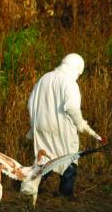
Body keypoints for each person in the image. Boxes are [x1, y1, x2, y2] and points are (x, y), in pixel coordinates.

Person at [27, 53, 103, 197]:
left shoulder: (45, 78)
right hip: (61, 128)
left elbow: (31, 102)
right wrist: (80, 123)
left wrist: (34, 123)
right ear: (76, 68)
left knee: (44, 158)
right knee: (69, 157)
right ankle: (65, 193)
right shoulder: (70, 83)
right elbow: (71, 108)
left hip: (41, 125)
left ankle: (30, 185)